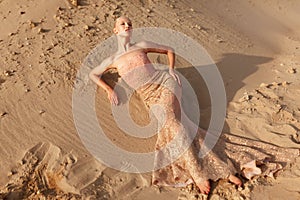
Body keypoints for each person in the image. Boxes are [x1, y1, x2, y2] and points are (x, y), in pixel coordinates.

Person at [89, 16, 299, 194]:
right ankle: (226, 168)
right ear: (115, 30)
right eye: (123, 24)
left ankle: (201, 174)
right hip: (149, 97)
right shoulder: (113, 59)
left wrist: (171, 70)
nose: (127, 26)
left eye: (129, 23)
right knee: (183, 128)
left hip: (165, 85)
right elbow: (94, 74)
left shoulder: (141, 45)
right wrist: (109, 89)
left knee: (172, 123)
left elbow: (169, 49)